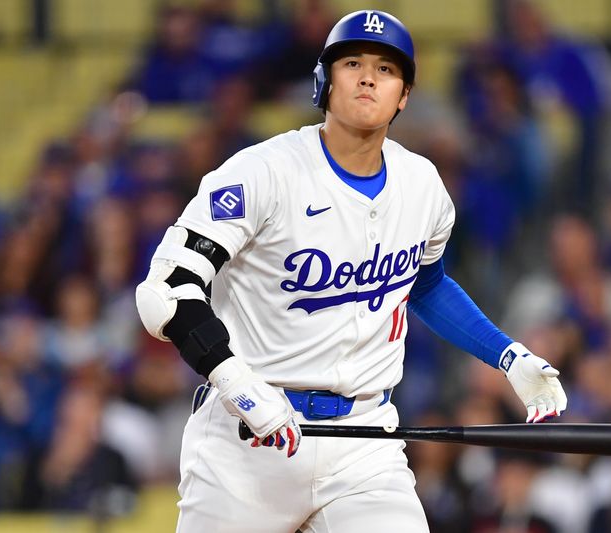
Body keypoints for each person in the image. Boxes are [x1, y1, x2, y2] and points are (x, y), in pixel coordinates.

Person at [135, 10, 567, 532]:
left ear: (404, 95)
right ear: (324, 80)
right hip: (245, 439)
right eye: (352, 63)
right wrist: (238, 385)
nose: (368, 77)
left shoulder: (422, 185)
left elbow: (425, 285)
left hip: (364, 442)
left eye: (386, 69)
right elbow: (167, 292)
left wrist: (508, 356)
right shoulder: (263, 171)